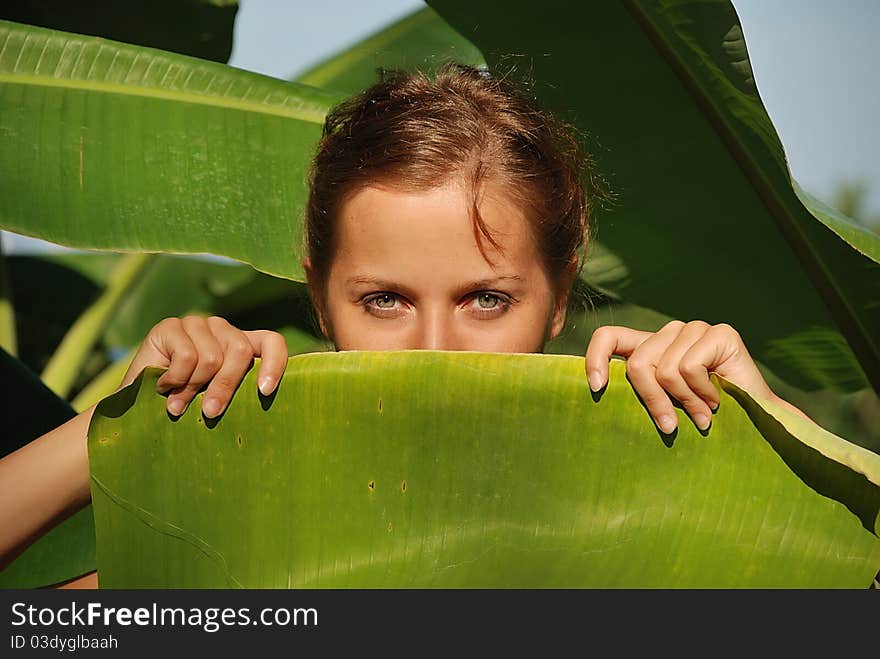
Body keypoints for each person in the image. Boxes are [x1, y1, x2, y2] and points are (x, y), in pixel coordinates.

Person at [0, 62, 814, 587]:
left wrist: (781, 442)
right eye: (384, 299)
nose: (433, 349)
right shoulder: (237, 526)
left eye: (485, 298)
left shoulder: (660, 513)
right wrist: (111, 423)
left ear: (560, 294)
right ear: (319, 296)